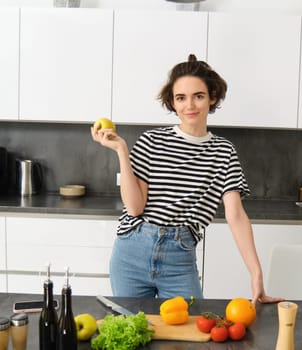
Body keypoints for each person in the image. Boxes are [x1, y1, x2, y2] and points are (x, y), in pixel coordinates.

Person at [91, 54, 284, 305]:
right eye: (181, 98)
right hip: (131, 251)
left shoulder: (223, 152)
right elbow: (135, 207)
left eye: (198, 96)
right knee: (136, 333)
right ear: (172, 102)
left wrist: (256, 273)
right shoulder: (151, 141)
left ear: (212, 98)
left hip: (179, 258)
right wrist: (122, 151)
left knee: (189, 332)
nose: (189, 105)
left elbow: (235, 215)